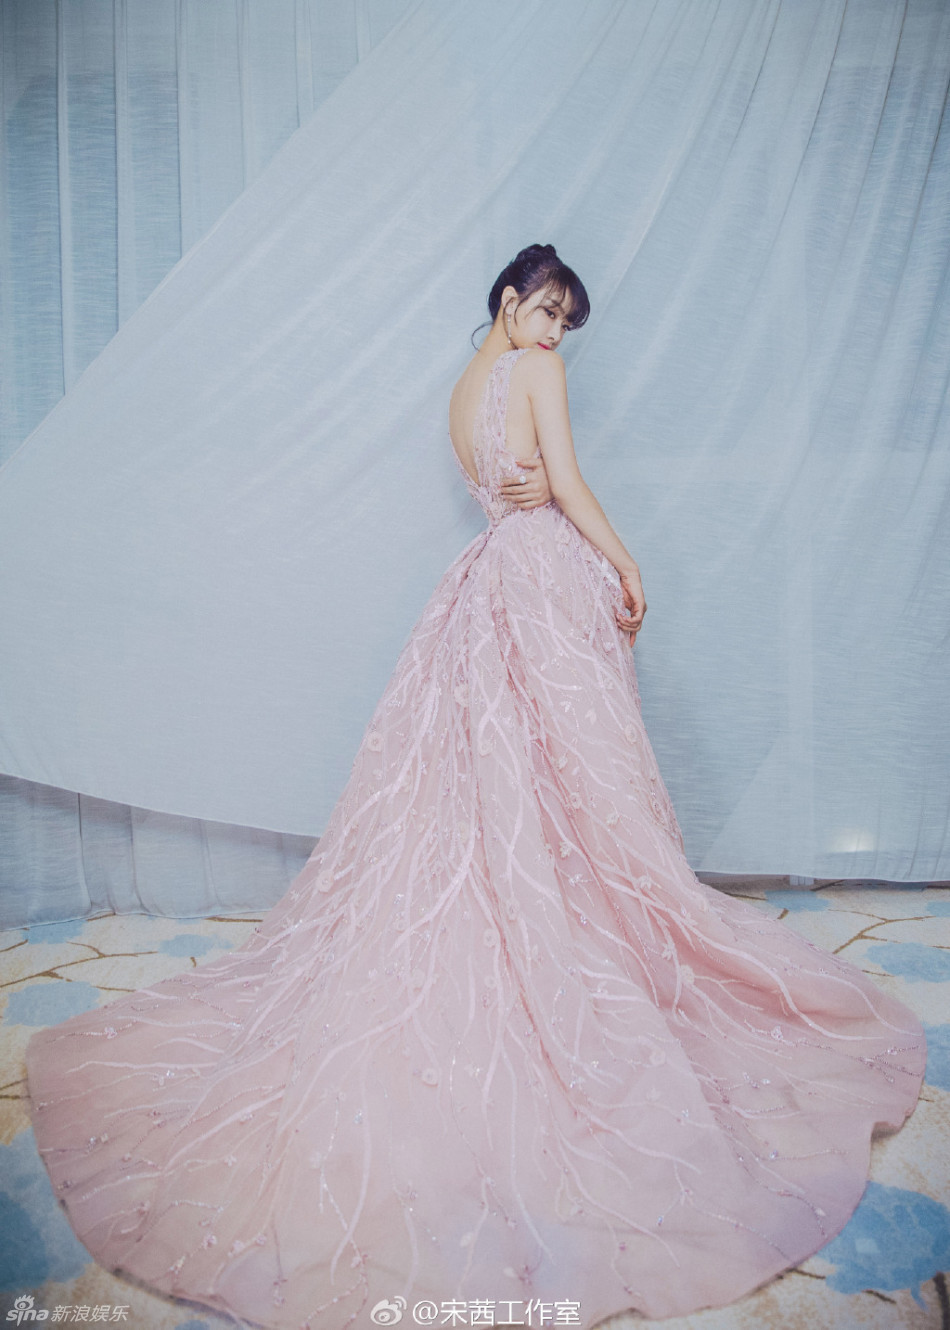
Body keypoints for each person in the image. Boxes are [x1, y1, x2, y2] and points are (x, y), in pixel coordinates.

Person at [26, 244, 925, 1330]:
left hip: (487, 579)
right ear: (508, 301)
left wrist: (537, 496)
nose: (552, 334)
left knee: (513, 779)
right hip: (539, 573)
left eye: (563, 323)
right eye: (544, 311)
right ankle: (570, 946)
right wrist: (627, 562)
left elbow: (506, 480)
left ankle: (550, 922)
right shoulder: (532, 374)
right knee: (576, 781)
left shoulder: (463, 388)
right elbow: (565, 484)